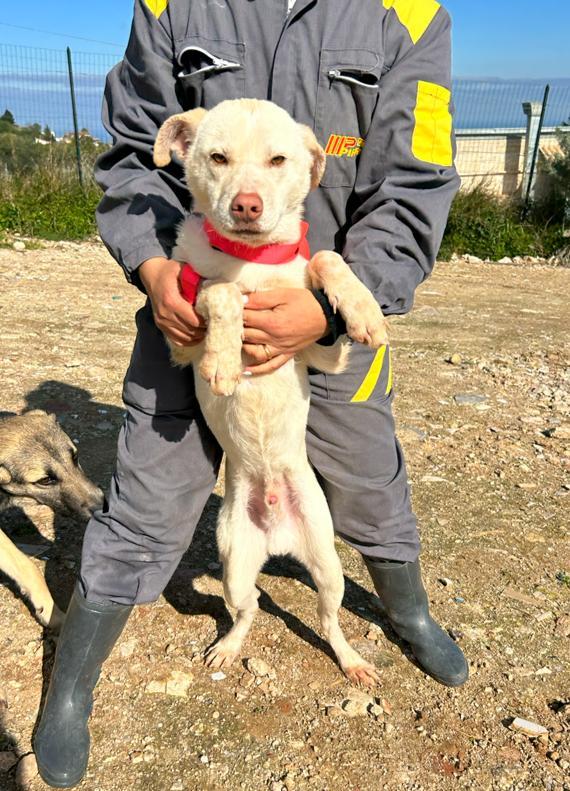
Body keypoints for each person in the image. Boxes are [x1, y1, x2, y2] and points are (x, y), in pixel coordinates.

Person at [34, 0, 468, 786]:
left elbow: (414, 185)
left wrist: (334, 298)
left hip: (324, 307)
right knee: (147, 495)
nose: (247, 189)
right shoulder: (170, 5)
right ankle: (73, 676)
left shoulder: (410, 15)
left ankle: (406, 609)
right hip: (191, 303)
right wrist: (153, 267)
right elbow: (135, 152)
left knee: (369, 478)